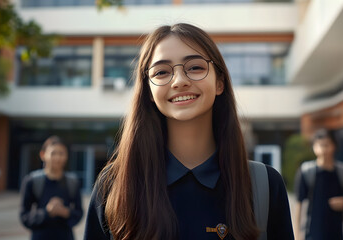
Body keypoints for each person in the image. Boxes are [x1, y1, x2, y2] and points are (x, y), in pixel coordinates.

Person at [83, 23, 294, 240]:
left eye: (195, 67)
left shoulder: (264, 186)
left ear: (220, 82)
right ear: (148, 90)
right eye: (162, 72)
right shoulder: (114, 186)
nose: (180, 81)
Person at [19, 136, 83, 240]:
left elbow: (79, 213)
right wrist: (46, 212)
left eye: (61, 153)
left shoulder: (72, 182)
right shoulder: (32, 181)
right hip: (40, 236)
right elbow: (24, 216)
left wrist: (65, 212)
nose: (57, 158)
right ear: (43, 155)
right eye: (53, 153)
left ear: (66, 156)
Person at [294, 128, 343, 240]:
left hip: (337, 232)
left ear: (334, 146)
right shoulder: (306, 171)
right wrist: (296, 234)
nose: (323, 149)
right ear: (314, 147)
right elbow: (299, 204)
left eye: (326, 144)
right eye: (319, 145)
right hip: (312, 232)